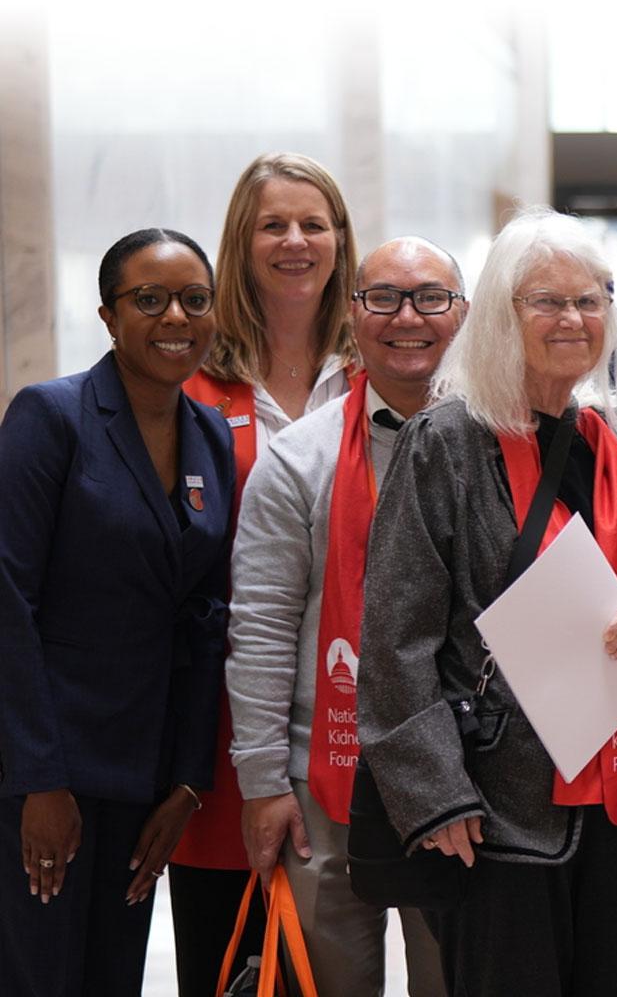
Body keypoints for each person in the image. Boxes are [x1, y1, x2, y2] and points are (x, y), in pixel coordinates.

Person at [358, 208, 617, 995]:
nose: (572, 318)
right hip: (495, 810)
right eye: (546, 300)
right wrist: (437, 801)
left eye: (591, 300)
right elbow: (395, 637)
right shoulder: (444, 442)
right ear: (503, 314)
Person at [225, 237, 465, 995]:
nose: (408, 318)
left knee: (452, 978)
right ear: (354, 317)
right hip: (320, 779)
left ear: (464, 314)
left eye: (431, 297)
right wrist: (263, 783)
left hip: (458, 779)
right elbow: (260, 628)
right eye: (384, 298)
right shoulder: (298, 459)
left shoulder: (499, 449)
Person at [0, 229, 235, 995]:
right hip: (46, 775)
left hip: (143, 778)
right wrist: (39, 780)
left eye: (195, 300)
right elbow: (9, 600)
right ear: (108, 315)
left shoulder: (208, 434)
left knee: (113, 979)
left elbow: (204, 615)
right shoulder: (52, 416)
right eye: (151, 300)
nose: (176, 317)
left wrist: (187, 782)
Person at [172, 150, 359, 993]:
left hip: (351, 709)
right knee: (230, 951)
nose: (294, 241)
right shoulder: (193, 382)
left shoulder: (378, 375)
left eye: (312, 224)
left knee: (332, 950)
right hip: (222, 720)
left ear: (340, 242)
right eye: (272, 225)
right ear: (240, 244)